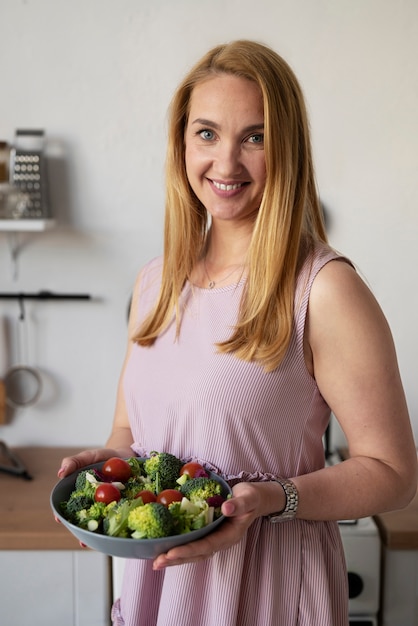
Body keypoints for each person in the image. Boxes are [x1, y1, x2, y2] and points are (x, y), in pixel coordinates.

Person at [58, 40, 417, 626]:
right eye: (206, 133)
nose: (226, 164)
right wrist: (111, 467)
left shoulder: (324, 289)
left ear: (288, 149)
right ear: (181, 144)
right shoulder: (154, 284)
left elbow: (395, 474)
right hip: (159, 592)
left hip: (269, 594)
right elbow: (132, 429)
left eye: (255, 136)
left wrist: (273, 499)